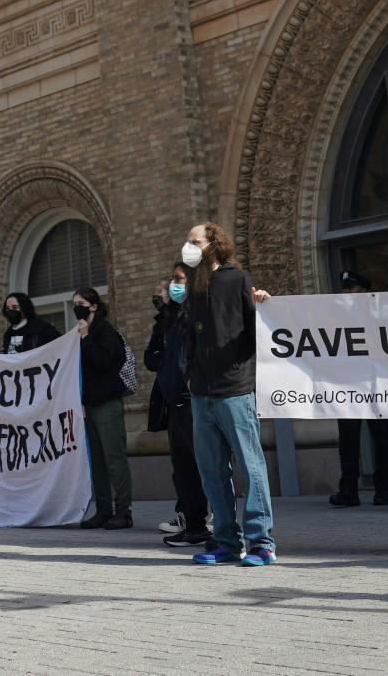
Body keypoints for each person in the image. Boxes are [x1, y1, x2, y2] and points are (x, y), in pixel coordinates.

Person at [182, 222, 276, 567]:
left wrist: (265, 304)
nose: (188, 247)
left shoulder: (237, 279)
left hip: (234, 389)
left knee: (249, 467)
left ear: (213, 244)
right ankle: (224, 541)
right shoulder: (195, 286)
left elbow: (259, 328)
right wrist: (189, 373)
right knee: (212, 471)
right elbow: (191, 336)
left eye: (194, 241)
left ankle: (261, 543)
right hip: (202, 392)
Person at [146, 264, 214, 546]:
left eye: (177, 281)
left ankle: (212, 524)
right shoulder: (170, 319)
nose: (171, 288)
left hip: (192, 401)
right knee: (183, 467)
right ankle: (193, 524)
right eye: (171, 281)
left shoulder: (197, 313)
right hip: (174, 403)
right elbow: (153, 358)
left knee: (202, 466)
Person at [329, 269, 388, 508]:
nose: (348, 294)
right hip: (348, 386)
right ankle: (349, 490)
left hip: (377, 385)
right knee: (348, 442)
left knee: (382, 441)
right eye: (345, 289)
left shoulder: (380, 314)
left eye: (353, 289)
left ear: (366, 291)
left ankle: (382, 490)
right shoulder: (337, 316)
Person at [72, 286, 132, 529]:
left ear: (94, 306)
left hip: (107, 403)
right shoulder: (80, 332)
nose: (77, 307)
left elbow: (102, 362)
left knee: (114, 458)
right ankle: (103, 509)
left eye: (80, 303)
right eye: (74, 302)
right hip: (90, 403)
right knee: (96, 460)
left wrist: (86, 339)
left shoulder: (105, 332)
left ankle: (124, 510)